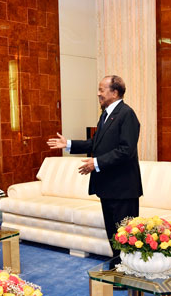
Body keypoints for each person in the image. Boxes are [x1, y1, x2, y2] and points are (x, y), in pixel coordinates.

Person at [47, 75, 142, 268]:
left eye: (102, 89)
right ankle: (119, 270)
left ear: (114, 92)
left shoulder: (127, 114)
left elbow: (126, 150)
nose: (98, 94)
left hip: (123, 189)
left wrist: (96, 163)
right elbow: (95, 143)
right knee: (112, 234)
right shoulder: (106, 115)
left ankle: (128, 272)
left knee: (125, 236)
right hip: (108, 187)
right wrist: (69, 144)